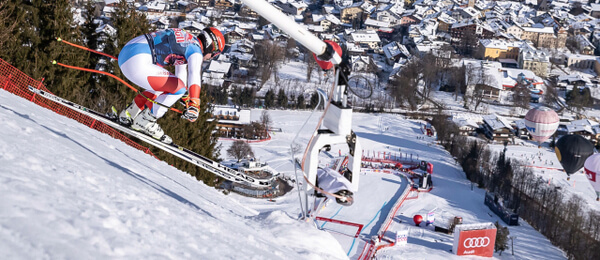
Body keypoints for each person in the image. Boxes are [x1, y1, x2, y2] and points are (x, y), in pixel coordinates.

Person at [117, 27, 225, 143]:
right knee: (177, 88)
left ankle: (129, 113)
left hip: (128, 54)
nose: (210, 58)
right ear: (210, 46)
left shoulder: (187, 39)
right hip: (137, 62)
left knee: (166, 87)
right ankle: (146, 121)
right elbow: (194, 74)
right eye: (214, 55)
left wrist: (184, 96)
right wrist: (194, 103)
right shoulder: (196, 51)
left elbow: (180, 74)